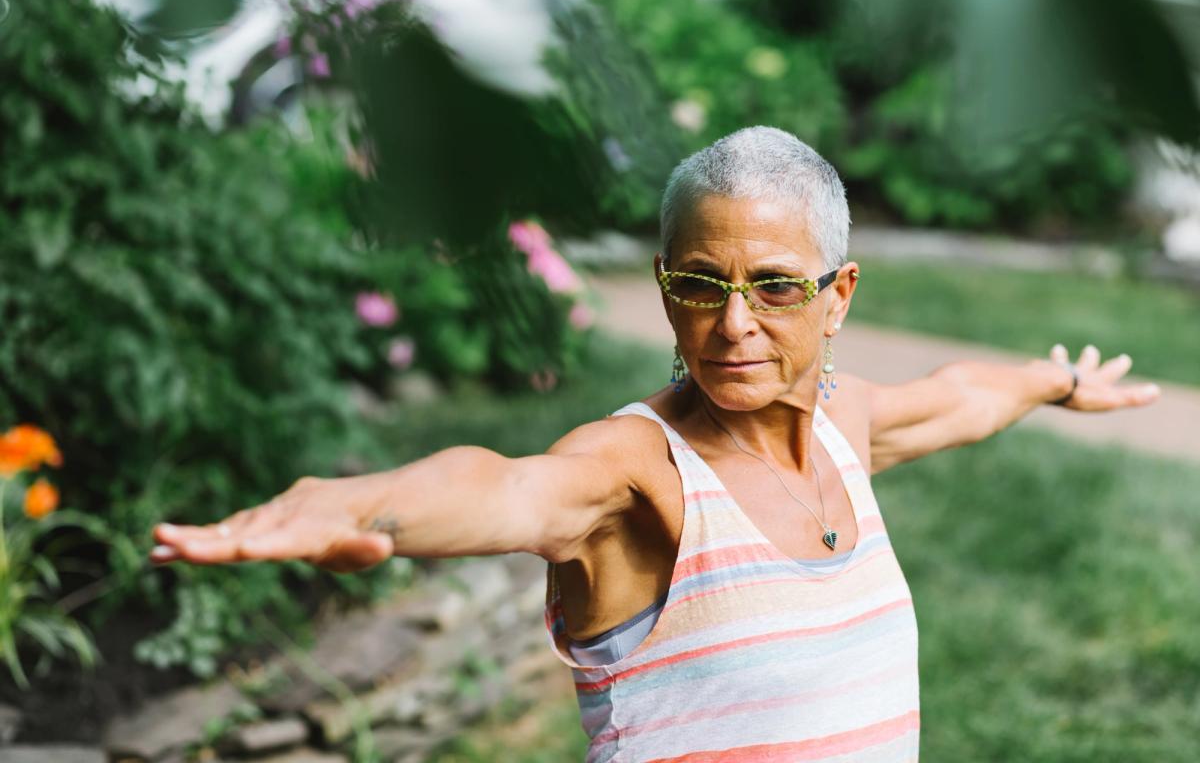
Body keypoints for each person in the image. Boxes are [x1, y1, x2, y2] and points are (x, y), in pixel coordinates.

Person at [150, 126, 1160, 761]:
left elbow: (959, 396)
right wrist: (358, 504)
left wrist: (1058, 380)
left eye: (773, 284)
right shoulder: (635, 474)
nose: (732, 326)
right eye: (696, 285)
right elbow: (511, 488)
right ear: (664, 282)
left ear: (838, 295)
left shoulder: (844, 425)